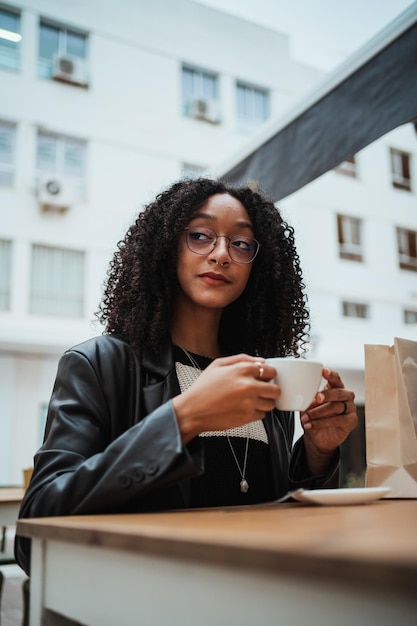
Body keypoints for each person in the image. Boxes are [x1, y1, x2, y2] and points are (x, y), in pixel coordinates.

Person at [15, 177, 358, 575]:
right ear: (167, 247)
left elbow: (280, 511)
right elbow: (34, 531)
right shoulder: (98, 364)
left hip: (262, 591)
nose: (221, 254)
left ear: (258, 268)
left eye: (241, 244)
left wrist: (317, 454)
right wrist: (184, 418)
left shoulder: (264, 376)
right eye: (200, 236)